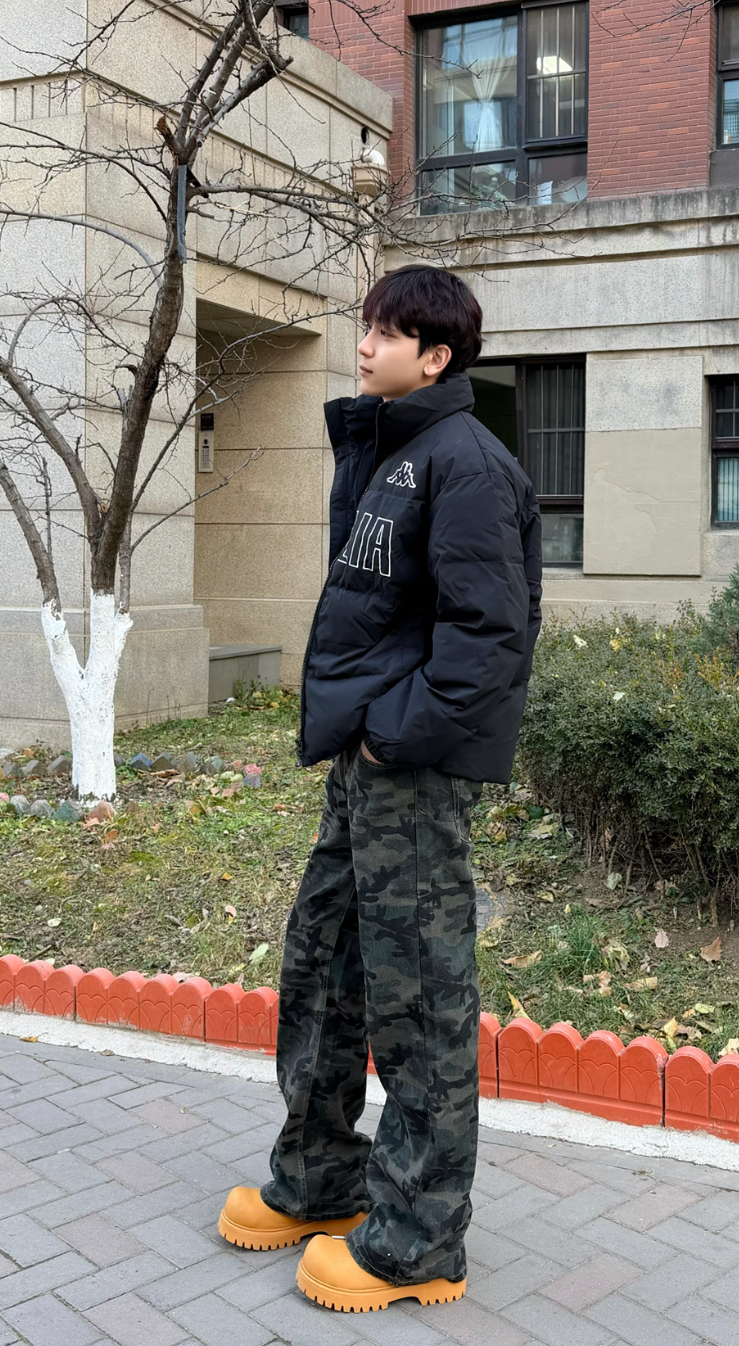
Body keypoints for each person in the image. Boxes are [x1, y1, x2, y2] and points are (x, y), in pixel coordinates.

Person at [217, 264, 543, 1313]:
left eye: (385, 332)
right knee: (324, 964)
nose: (362, 345)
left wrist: (391, 738)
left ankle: (416, 1242)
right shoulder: (394, 447)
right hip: (367, 756)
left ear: (434, 356)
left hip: (409, 762)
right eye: (363, 326)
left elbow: (488, 636)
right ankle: (321, 1181)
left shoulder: (466, 462)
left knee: (418, 996)